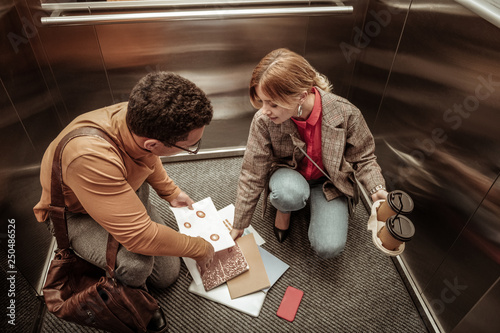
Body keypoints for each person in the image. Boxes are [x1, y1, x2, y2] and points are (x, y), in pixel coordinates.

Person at [33, 72, 215, 332]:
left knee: (166, 276)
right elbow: (139, 237)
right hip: (75, 215)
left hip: (119, 188)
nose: (194, 148)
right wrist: (200, 248)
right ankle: (134, 301)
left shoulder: (137, 116)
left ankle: (129, 232)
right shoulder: (89, 157)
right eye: (190, 146)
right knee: (136, 265)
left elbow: (149, 159)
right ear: (152, 143)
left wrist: (171, 192)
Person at [230, 48, 388, 259]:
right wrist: (240, 224)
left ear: (302, 96)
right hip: (288, 175)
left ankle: (306, 202)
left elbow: (364, 156)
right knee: (287, 193)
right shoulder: (264, 121)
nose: (265, 110)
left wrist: (377, 189)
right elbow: (252, 172)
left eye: (273, 103)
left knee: (328, 248)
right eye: (262, 101)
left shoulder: (345, 112)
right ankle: (285, 210)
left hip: (329, 182)